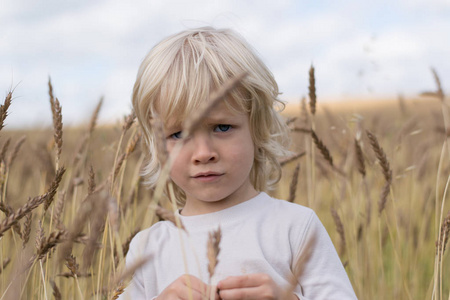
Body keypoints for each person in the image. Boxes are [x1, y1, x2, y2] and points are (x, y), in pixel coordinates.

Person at [119, 27, 357, 300]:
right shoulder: (147, 248)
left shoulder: (295, 227)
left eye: (222, 127)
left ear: (257, 129)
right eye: (178, 134)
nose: (203, 153)